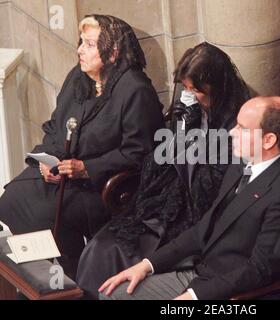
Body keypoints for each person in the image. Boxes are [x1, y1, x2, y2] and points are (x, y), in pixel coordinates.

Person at [76, 42, 250, 299]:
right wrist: (179, 131)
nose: (189, 94)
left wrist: (191, 142)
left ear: (215, 87)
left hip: (199, 214)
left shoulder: (235, 123)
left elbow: (210, 187)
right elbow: (159, 161)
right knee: (101, 247)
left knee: (123, 252)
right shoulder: (188, 107)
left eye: (197, 90)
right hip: (168, 199)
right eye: (187, 87)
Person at [98, 96, 280, 300]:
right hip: (200, 272)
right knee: (111, 293)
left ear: (268, 140)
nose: (231, 133)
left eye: (243, 128)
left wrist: (194, 296)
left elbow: (260, 270)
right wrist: (146, 264)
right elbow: (204, 228)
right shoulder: (242, 165)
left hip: (229, 292)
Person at [0, 15, 165, 277]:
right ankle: (37, 278)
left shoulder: (135, 90)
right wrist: (48, 160)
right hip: (63, 173)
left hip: (100, 185)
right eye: (81, 42)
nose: (79, 50)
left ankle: (69, 277)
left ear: (112, 52)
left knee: (44, 213)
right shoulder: (78, 77)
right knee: (11, 199)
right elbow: (55, 125)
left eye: (89, 45)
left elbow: (140, 153)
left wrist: (86, 168)